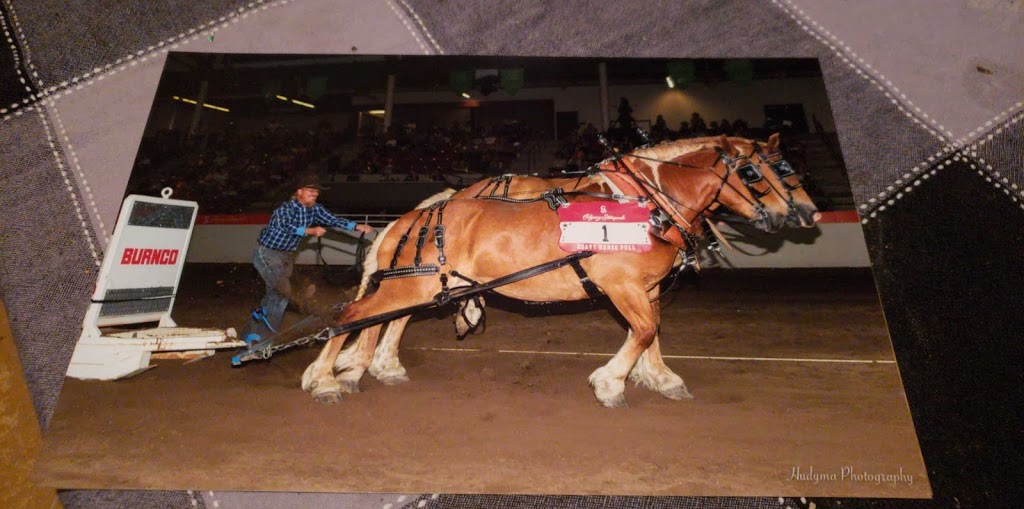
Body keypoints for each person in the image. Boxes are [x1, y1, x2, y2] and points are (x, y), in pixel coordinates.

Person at [241, 172, 374, 344]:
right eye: (310, 190)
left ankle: (250, 332)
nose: (315, 194)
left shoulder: (315, 209)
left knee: (273, 296)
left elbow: (332, 219)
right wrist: (308, 231)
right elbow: (283, 226)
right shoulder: (285, 209)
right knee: (282, 294)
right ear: (299, 192)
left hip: (286, 256)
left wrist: (356, 226)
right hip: (267, 253)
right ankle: (265, 337)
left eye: (317, 191)